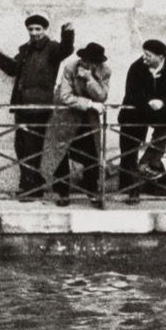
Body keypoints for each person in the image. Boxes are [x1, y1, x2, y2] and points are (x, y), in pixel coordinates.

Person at [0, 14, 75, 199]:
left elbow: (66, 49)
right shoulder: (25, 50)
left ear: (45, 30)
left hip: (44, 108)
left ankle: (63, 192)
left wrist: (68, 32)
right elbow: (14, 69)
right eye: (31, 29)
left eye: (38, 29)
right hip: (23, 108)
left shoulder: (53, 48)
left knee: (54, 148)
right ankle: (31, 189)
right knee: (24, 149)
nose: (34, 33)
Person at [118, 38, 166, 204]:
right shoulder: (136, 67)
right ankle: (131, 190)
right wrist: (148, 103)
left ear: (160, 56)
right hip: (135, 113)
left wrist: (163, 103)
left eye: (148, 55)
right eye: (144, 53)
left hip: (161, 113)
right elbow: (130, 93)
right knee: (129, 151)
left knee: (164, 131)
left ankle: (146, 166)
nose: (144, 58)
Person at [43, 43, 111, 207]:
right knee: (61, 152)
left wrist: (90, 79)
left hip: (88, 119)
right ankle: (62, 192)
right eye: (86, 61)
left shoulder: (105, 70)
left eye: (93, 62)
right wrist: (89, 103)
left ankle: (92, 190)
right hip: (67, 116)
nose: (88, 65)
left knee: (92, 155)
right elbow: (65, 96)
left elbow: (102, 96)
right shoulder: (70, 67)